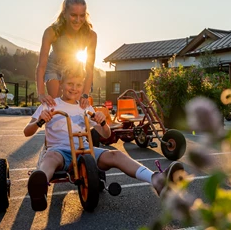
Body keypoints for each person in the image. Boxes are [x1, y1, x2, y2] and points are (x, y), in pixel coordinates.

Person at [24, 67, 185, 212]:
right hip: (60, 150)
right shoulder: (50, 104)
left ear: (83, 87)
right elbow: (27, 132)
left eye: (78, 85)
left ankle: (156, 180)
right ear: (61, 84)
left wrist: (102, 122)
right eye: (70, 84)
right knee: (51, 158)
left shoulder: (85, 107)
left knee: (116, 155)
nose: (74, 88)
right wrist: (40, 121)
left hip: (84, 150)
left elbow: (107, 134)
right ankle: (40, 190)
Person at [36, 0, 96, 109]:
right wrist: (41, 94)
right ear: (64, 14)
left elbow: (89, 69)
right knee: (57, 105)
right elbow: (41, 66)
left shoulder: (91, 36)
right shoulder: (51, 32)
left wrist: (85, 95)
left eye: (82, 16)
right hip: (54, 66)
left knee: (75, 105)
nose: (78, 20)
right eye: (73, 15)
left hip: (75, 67)